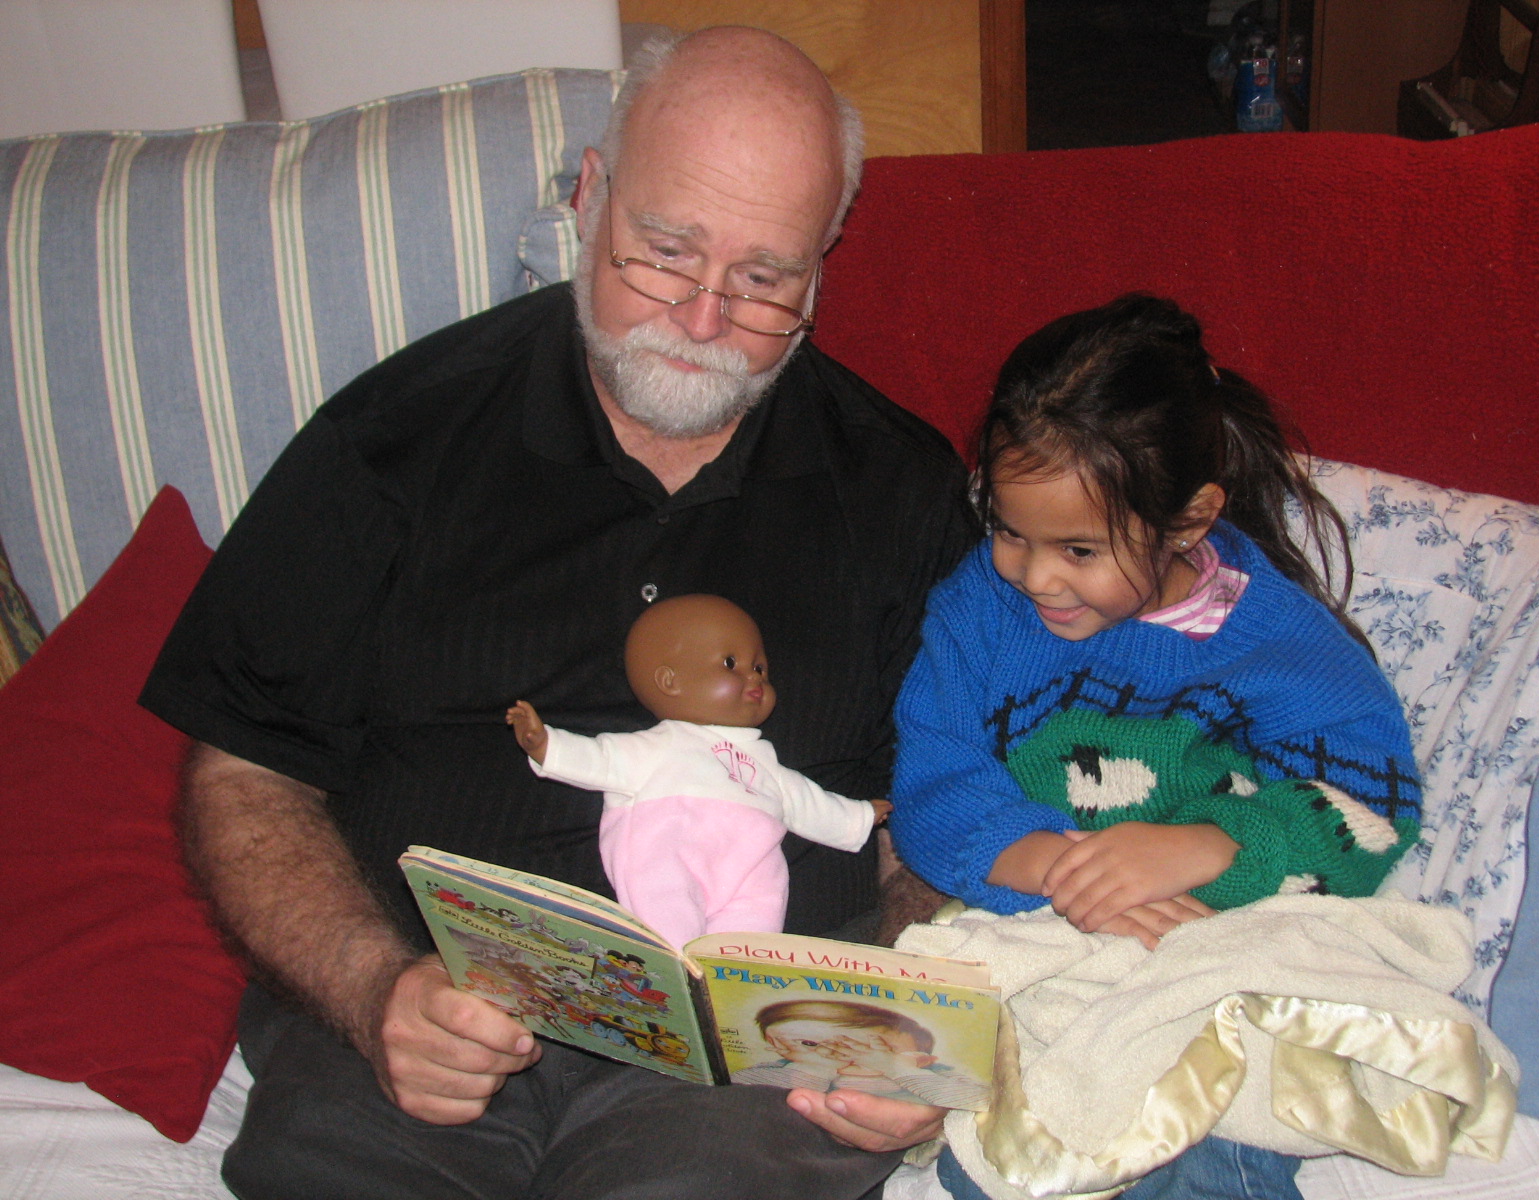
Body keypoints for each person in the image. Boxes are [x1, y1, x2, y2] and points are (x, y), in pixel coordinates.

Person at [139, 26, 976, 1200]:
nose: (700, 317)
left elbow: (942, 818)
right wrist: (376, 989)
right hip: (425, 1005)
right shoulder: (391, 444)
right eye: (664, 252)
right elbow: (242, 777)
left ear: (824, 263)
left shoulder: (904, 491)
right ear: (589, 197)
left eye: (762, 278)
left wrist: (896, 1022)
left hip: (743, 1065)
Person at [888, 293, 1424, 1199]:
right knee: (1002, 1153)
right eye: (1010, 530)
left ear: (1188, 520)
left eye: (1080, 550)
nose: (1035, 575)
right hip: (1042, 934)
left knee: (1211, 1137)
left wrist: (1207, 846)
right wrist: (1060, 865)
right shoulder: (977, 609)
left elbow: (1371, 803)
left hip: (1219, 944)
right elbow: (935, 780)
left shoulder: (1275, 639)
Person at [507, 593, 890, 947]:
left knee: (759, 911)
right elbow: (599, 757)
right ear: (670, 681)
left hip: (750, 862)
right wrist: (546, 745)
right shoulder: (660, 745)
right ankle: (673, 967)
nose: (755, 677)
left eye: (760, 667)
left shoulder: (763, 759)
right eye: (731, 664)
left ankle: (734, 972)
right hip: (674, 849)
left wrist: (857, 816)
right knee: (666, 907)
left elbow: (806, 801)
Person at [731, 1000, 990, 1111]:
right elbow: (737, 1087)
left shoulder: (931, 1075)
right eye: (809, 1044)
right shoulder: (782, 1069)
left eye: (879, 1048)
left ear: (922, 1059)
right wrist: (815, 1069)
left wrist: (900, 1070)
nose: (837, 1052)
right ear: (778, 1048)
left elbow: (976, 1098)